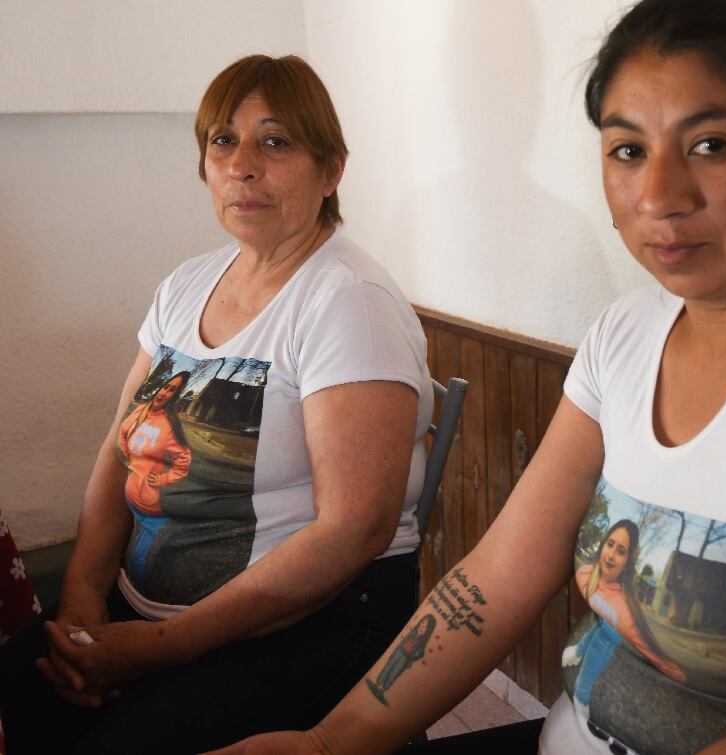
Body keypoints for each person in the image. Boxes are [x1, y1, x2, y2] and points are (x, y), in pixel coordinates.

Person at [215, 0, 726, 753]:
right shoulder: (627, 333)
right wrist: (330, 741)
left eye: (712, 144)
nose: (660, 196)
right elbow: (496, 579)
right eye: (627, 150)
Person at [0, 54, 434, 754]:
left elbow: (354, 530)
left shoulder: (349, 304)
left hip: (308, 625)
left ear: (331, 170)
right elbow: (119, 448)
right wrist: (83, 599)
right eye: (222, 141)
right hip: (143, 611)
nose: (243, 165)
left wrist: (157, 648)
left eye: (276, 140)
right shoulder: (186, 284)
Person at [563, 518, 684, 718]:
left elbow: (646, 645)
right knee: (603, 620)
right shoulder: (585, 573)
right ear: (603, 544)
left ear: (628, 561)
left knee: (608, 630)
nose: (611, 555)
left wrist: (676, 673)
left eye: (621, 551)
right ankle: (580, 650)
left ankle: (581, 696)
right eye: (610, 544)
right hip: (602, 620)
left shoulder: (624, 611)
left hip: (613, 627)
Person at [116, 370, 193, 588]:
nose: (165, 393)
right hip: (133, 511)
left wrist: (162, 479)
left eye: (173, 391)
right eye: (166, 386)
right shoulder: (141, 411)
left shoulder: (168, 427)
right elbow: (122, 433)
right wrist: (129, 457)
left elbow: (183, 460)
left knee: (145, 566)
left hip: (151, 510)